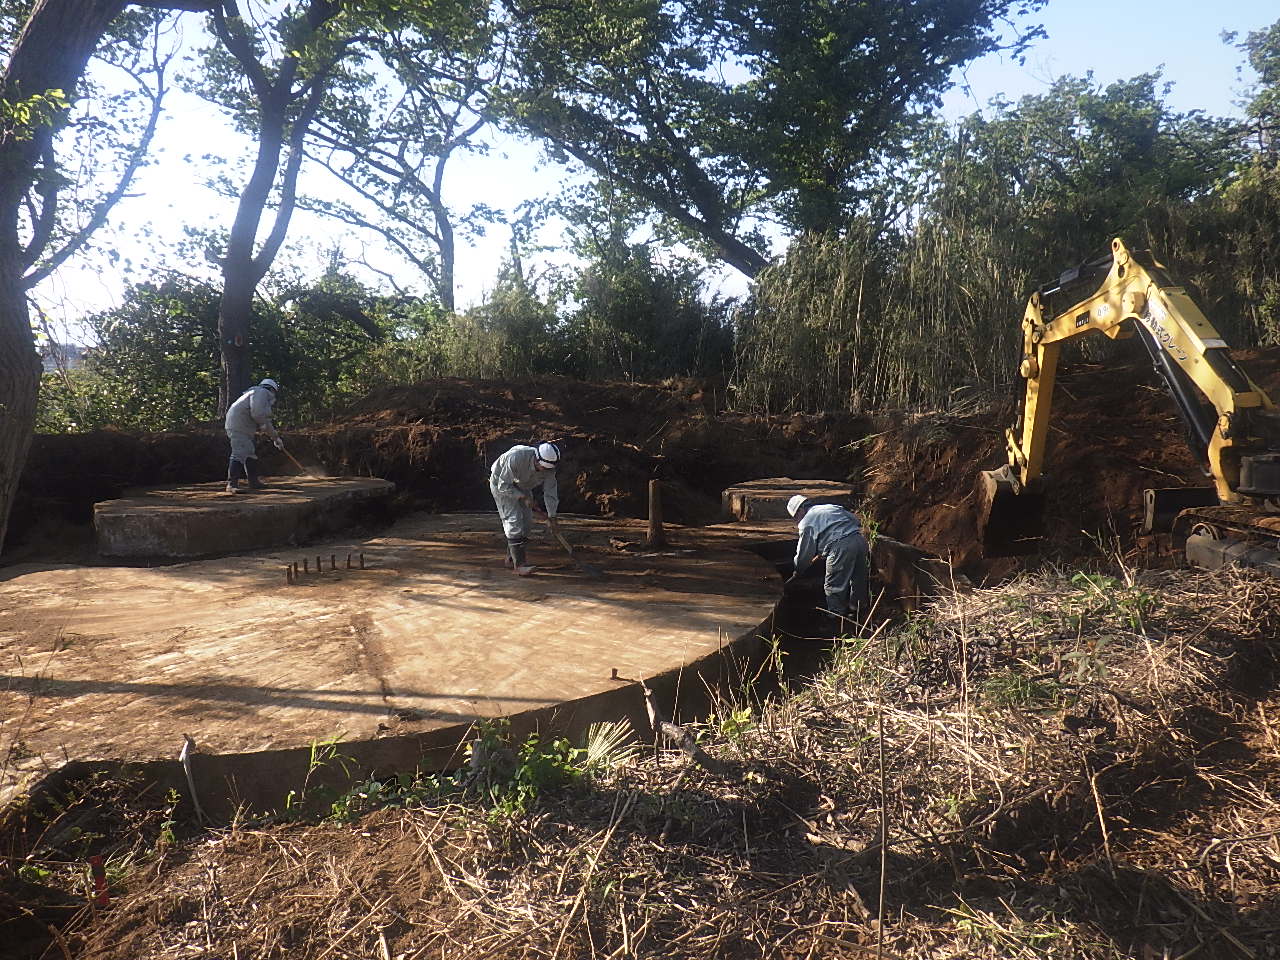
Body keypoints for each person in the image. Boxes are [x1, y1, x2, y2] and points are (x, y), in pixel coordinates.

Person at [786, 494, 870, 619]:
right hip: (859, 540)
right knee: (859, 579)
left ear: (800, 510)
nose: (797, 520)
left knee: (834, 585)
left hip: (841, 548)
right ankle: (858, 610)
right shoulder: (830, 507)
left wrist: (798, 569)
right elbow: (855, 521)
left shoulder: (807, 522)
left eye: (795, 517)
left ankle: (835, 617)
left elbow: (805, 553)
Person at [489, 441, 560, 576]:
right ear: (536, 458)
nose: (544, 471)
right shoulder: (516, 457)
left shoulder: (550, 468)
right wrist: (522, 497)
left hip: (522, 485)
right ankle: (519, 565)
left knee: (526, 524)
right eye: (542, 468)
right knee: (514, 520)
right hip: (501, 483)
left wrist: (552, 517)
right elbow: (503, 486)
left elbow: (550, 492)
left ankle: (511, 558)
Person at [224, 378, 284, 494]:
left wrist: (276, 438)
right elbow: (257, 414)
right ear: (272, 390)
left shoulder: (257, 394)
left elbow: (265, 421)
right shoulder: (261, 392)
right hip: (239, 427)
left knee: (250, 452)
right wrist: (262, 424)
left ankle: (253, 482)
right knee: (240, 452)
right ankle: (231, 485)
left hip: (241, 426)